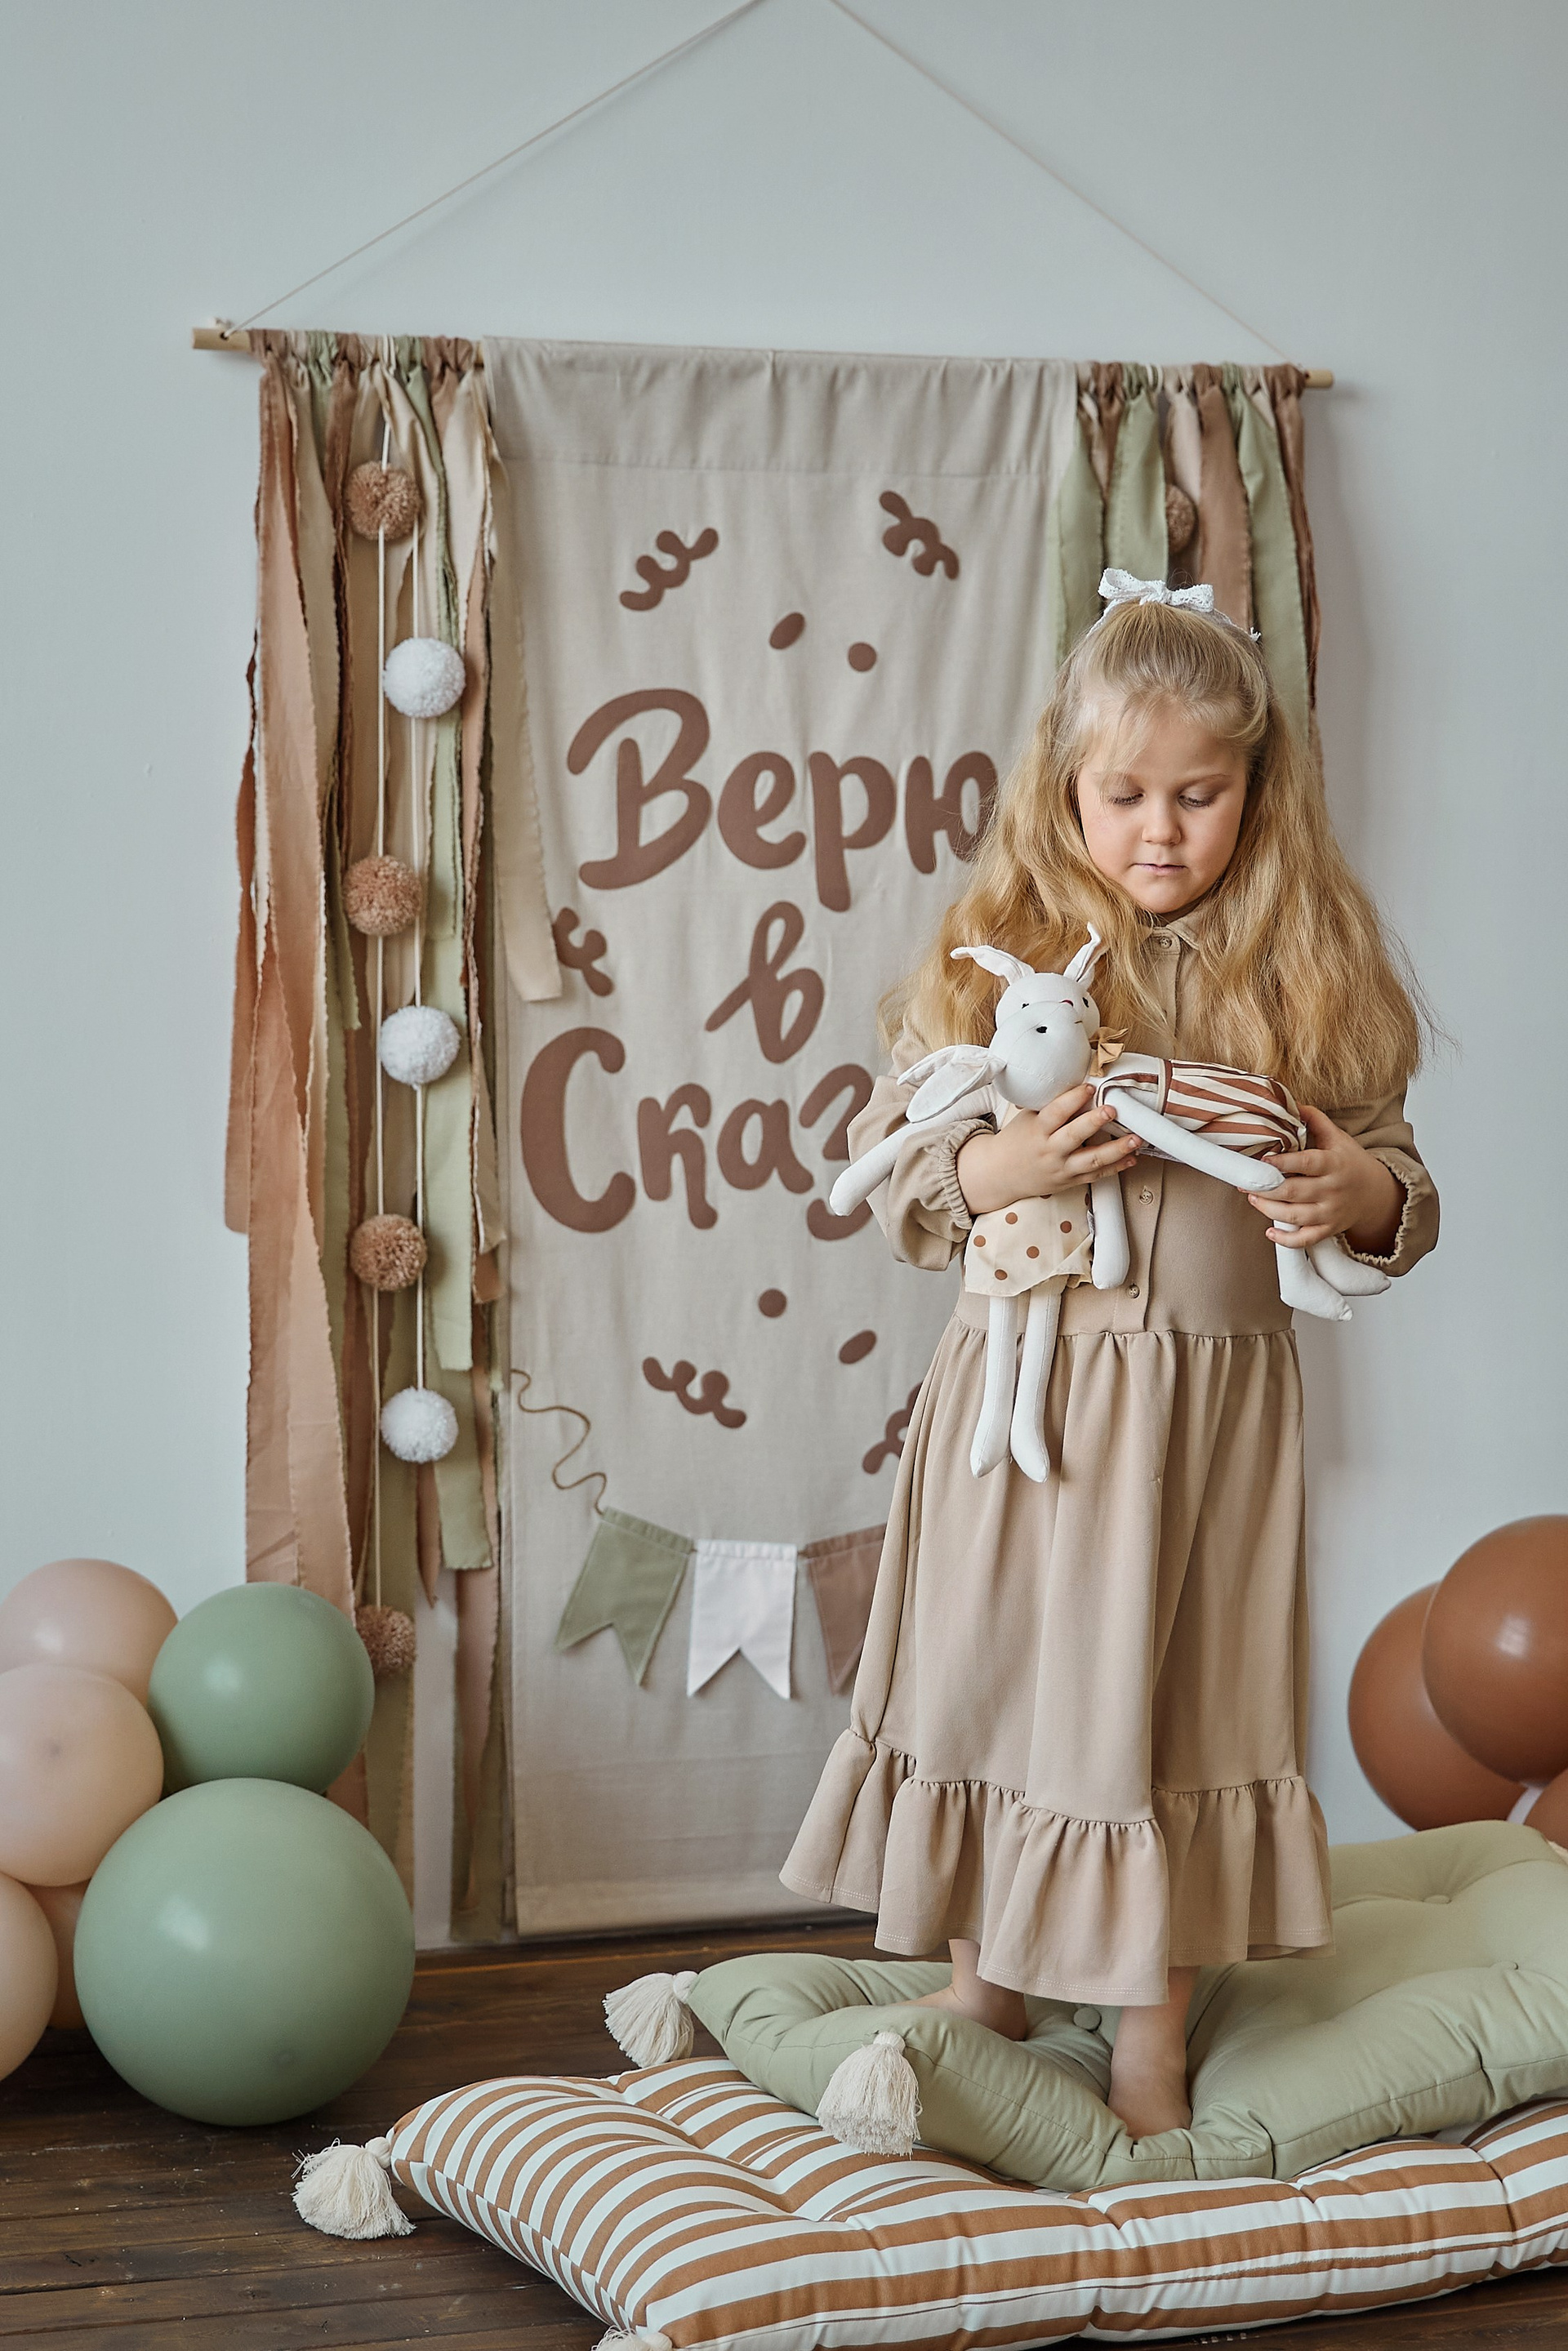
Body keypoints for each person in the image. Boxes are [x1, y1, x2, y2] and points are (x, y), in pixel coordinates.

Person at [780, 577, 1439, 2140]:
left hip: (1210, 1412)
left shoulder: (1306, 964)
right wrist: (996, 1168)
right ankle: (987, 1981)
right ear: (1064, 787)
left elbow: (1399, 1180)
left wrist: (1362, 1192)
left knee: (1178, 1702)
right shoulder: (999, 956)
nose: (1160, 830)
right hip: (1030, 1399)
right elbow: (899, 1165)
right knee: (993, 1671)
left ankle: (1152, 2025)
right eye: (1125, 794)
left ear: (1255, 794)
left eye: (1198, 796)